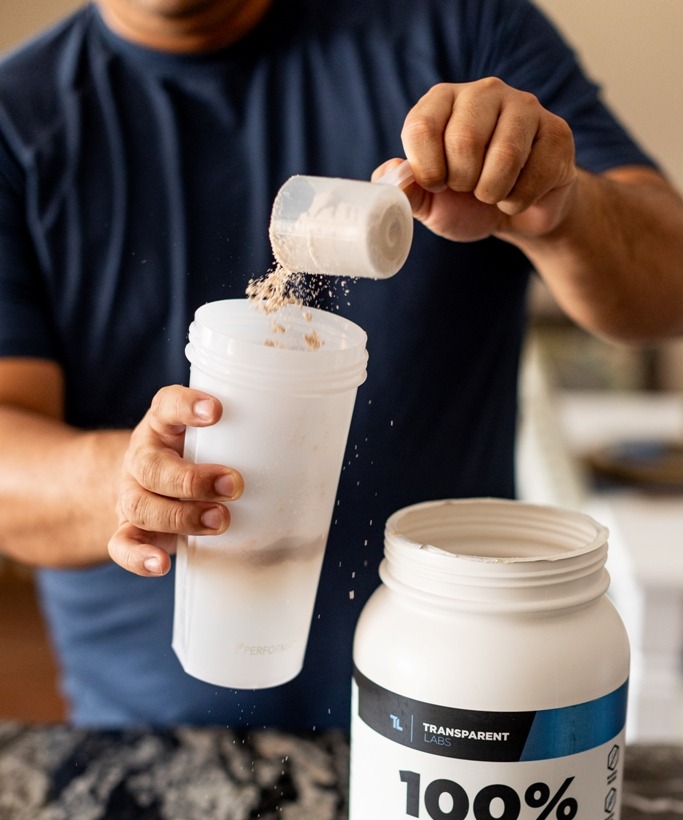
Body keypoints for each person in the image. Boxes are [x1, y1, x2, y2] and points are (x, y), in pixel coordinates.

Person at [1, 0, 683, 729]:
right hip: (153, 734)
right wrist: (134, 479)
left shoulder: (461, 29)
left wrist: (563, 210)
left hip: (455, 708)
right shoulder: (19, 120)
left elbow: (666, 290)